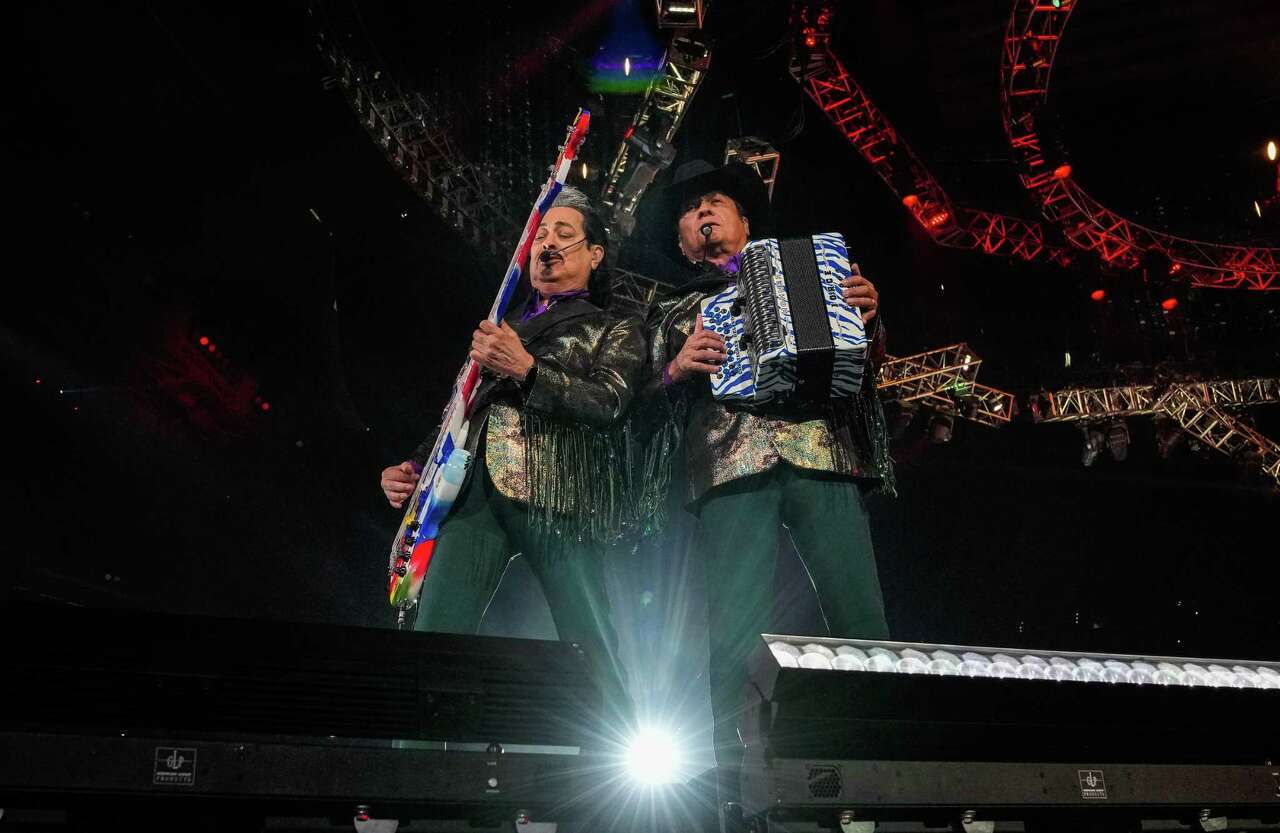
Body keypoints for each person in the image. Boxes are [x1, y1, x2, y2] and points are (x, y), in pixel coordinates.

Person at [640, 160, 895, 821]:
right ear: (681, 240)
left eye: (716, 202)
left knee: (862, 618)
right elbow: (646, 386)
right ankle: (740, 785)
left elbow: (862, 365)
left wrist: (865, 317)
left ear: (747, 221)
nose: (704, 214)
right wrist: (674, 367)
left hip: (821, 450)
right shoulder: (669, 305)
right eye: (691, 210)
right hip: (730, 464)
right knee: (733, 633)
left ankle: (882, 771)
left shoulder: (809, 269)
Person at [379, 186, 644, 728]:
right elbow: (462, 409)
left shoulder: (615, 325)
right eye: (540, 235)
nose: (547, 244)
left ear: (595, 254)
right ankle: (415, 775)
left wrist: (528, 370)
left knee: (590, 643)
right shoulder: (504, 323)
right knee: (436, 640)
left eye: (564, 235)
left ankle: (625, 788)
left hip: (559, 494)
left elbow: (610, 402)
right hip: (472, 492)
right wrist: (414, 468)